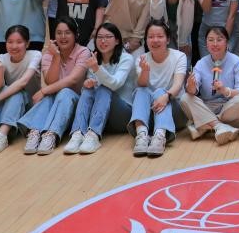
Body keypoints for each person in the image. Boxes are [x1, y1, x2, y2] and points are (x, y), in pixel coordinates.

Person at [18, 17, 92, 155]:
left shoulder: (83, 51)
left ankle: (51, 134)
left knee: (64, 92)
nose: (63, 37)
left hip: (77, 106)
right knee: (49, 97)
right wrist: (56, 57)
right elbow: (51, 82)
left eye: (67, 32)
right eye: (59, 33)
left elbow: (73, 79)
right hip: (55, 105)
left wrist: (43, 91)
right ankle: (35, 132)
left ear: (75, 35)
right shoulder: (49, 54)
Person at [64, 22, 136, 155]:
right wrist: (87, 84)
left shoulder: (126, 58)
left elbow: (115, 84)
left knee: (104, 88)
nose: (103, 41)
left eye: (108, 37)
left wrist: (97, 69)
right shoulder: (94, 59)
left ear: (117, 40)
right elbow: (89, 91)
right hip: (100, 114)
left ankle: (93, 135)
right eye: (100, 37)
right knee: (88, 90)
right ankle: (78, 133)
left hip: (123, 114)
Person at [0, 25, 42, 155]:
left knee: (17, 92)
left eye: (19, 42)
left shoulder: (35, 55)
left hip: (30, 107)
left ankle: (2, 135)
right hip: (12, 109)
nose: (14, 46)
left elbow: (23, 82)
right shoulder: (2, 58)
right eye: (10, 42)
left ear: (27, 43)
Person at [179, 25, 239, 146]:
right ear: (206, 43)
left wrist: (225, 90)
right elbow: (192, 91)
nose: (215, 44)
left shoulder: (236, 61)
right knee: (185, 98)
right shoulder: (201, 63)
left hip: (228, 108)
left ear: (227, 42)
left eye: (219, 39)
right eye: (211, 40)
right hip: (207, 106)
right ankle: (219, 126)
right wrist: (191, 85)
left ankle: (204, 125)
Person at [130, 20, 187, 158]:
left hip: (175, 111)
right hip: (150, 114)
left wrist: (165, 97)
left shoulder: (179, 56)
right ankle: (142, 135)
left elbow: (178, 84)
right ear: (146, 40)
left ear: (168, 40)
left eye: (160, 36)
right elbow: (142, 84)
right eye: (151, 37)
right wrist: (145, 71)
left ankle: (160, 136)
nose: (155, 40)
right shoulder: (141, 59)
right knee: (140, 90)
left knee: (161, 91)